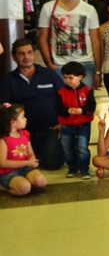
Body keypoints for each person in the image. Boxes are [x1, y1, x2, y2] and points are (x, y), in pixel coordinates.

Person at [0, 39, 65, 170]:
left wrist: (64, 122)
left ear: (34, 54)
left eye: (29, 52)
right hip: (22, 134)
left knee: (54, 164)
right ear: (14, 56)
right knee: (23, 165)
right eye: (21, 54)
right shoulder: (8, 80)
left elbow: (66, 98)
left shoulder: (48, 74)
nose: (26, 57)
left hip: (49, 129)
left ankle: (43, 153)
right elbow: (3, 108)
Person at [37, 0, 102, 89]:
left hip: (86, 64)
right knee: (62, 104)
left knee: (84, 104)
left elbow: (95, 40)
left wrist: (98, 70)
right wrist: (50, 64)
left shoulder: (89, 9)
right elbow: (42, 39)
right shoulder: (48, 8)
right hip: (60, 65)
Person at [54, 61, 96, 180]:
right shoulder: (61, 92)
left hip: (83, 124)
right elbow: (57, 107)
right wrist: (67, 111)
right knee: (68, 147)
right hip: (67, 124)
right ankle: (72, 167)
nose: (67, 80)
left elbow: (91, 106)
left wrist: (82, 111)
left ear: (80, 77)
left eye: (70, 78)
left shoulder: (87, 91)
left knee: (82, 147)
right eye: (65, 77)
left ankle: (83, 168)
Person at [0, 104, 47, 196]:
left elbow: (30, 153)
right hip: (8, 172)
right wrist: (27, 163)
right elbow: (3, 163)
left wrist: (32, 160)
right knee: (24, 188)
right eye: (23, 117)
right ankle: (3, 187)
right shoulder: (3, 139)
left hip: (25, 168)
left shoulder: (24, 134)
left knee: (41, 182)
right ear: (13, 122)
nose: (26, 119)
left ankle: (24, 181)